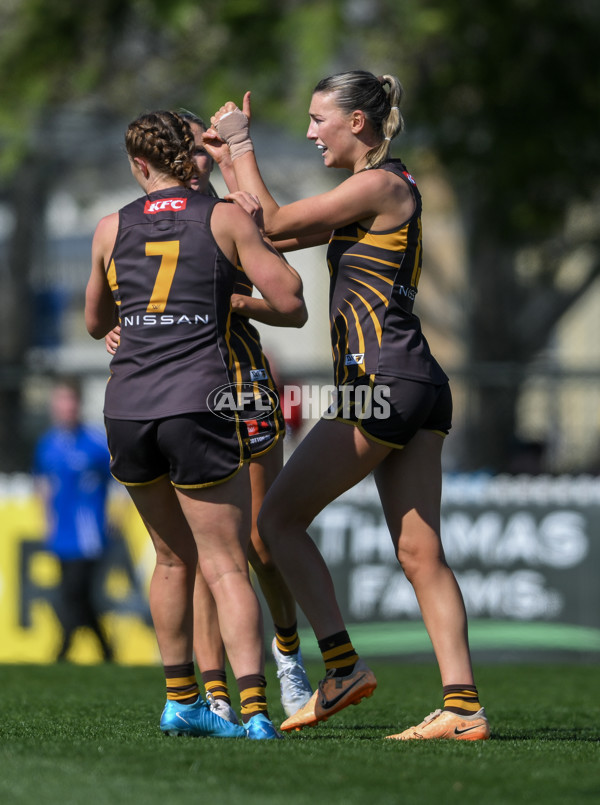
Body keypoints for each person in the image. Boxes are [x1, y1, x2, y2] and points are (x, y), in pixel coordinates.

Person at [208, 70, 490, 740]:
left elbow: (271, 222)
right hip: (417, 381)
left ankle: (340, 666)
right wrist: (230, 167)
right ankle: (462, 705)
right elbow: (270, 235)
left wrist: (243, 141)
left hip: (382, 382)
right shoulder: (377, 190)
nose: (309, 133)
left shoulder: (381, 183)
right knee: (421, 552)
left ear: (357, 123)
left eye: (317, 120)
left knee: (274, 519)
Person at [85, 109, 306, 740]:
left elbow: (96, 323)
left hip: (127, 407)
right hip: (200, 400)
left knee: (171, 559)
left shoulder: (109, 226)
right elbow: (290, 299)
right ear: (192, 156)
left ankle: (182, 699)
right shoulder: (225, 215)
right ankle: (256, 710)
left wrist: (133, 325)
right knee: (227, 563)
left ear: (137, 164)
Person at [33, 377, 114, 663]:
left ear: (78, 405)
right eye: (60, 401)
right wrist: (47, 521)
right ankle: (106, 650)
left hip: (89, 533)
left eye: (69, 400)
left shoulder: (94, 443)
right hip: (61, 533)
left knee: (75, 593)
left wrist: (112, 517)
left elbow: (116, 482)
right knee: (76, 596)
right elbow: (44, 484)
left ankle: (63, 650)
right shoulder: (47, 444)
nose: (65, 407)